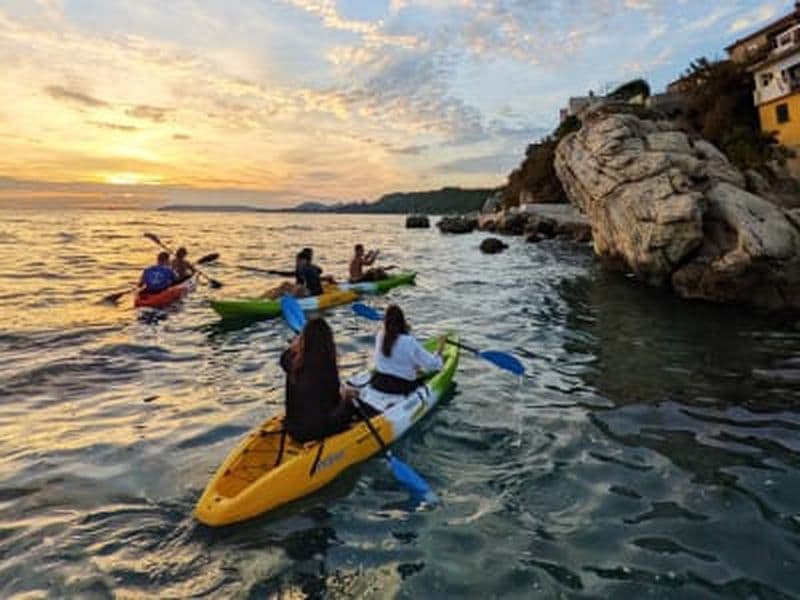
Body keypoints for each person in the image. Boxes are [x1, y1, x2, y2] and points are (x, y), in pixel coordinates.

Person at [279, 317, 357, 442]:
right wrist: (347, 397)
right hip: (317, 431)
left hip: (293, 428)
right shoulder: (327, 367)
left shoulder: (290, 361)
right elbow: (333, 400)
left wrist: (295, 345)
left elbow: (283, 356)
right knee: (351, 404)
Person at [371, 304, 446, 395]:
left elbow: (397, 346)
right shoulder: (409, 341)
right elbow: (433, 364)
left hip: (379, 382)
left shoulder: (380, 335)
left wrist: (406, 332)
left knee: (414, 367)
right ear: (403, 321)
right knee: (421, 370)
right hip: (401, 387)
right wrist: (440, 347)